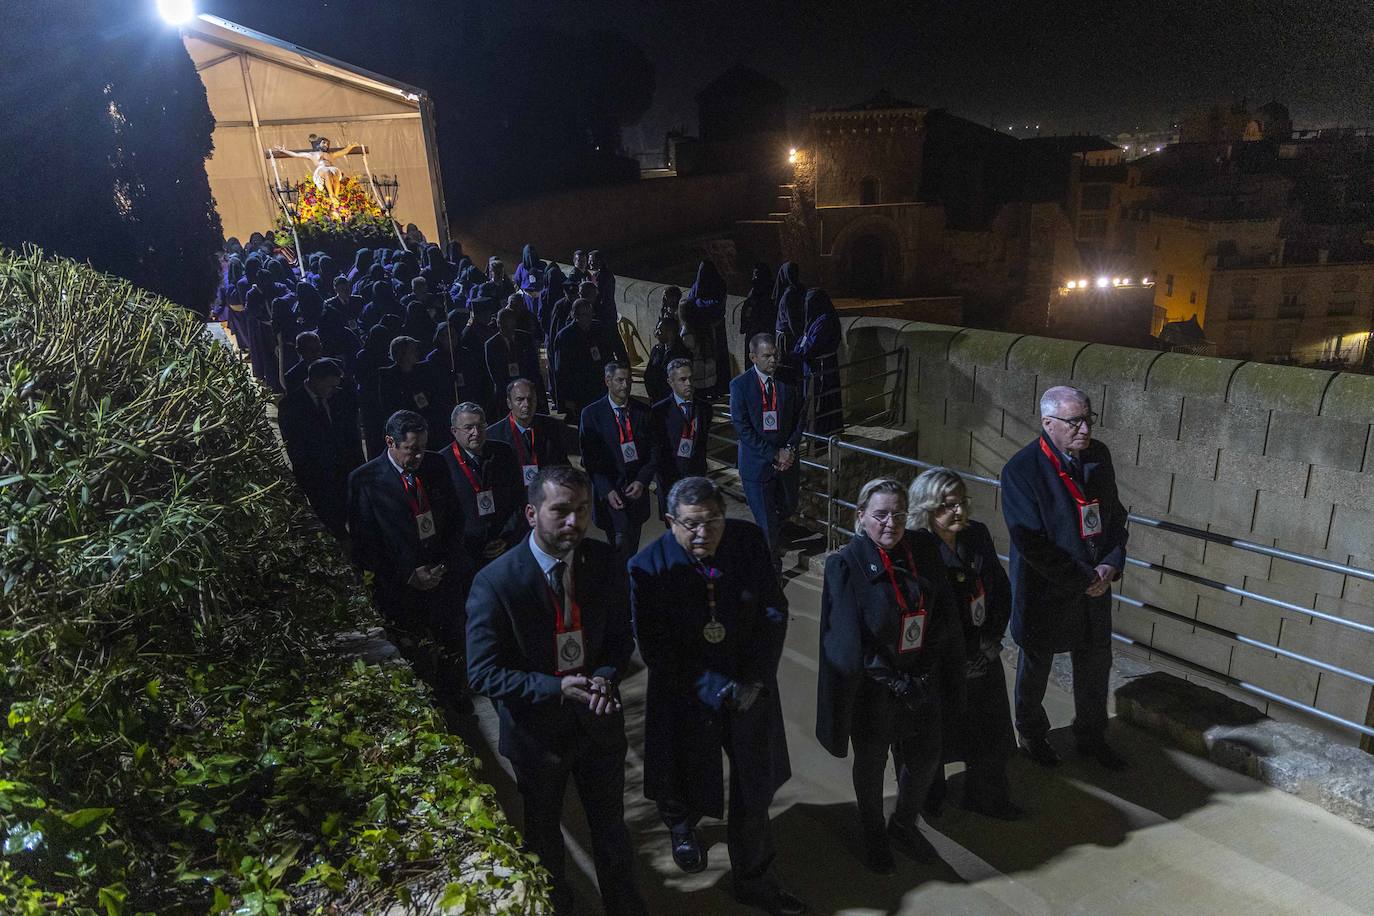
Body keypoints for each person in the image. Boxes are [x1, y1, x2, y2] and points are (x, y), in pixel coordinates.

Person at [466, 467, 647, 916]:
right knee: (545, 835)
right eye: (561, 511)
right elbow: (483, 673)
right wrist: (556, 687)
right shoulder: (496, 582)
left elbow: (621, 639)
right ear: (531, 513)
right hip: (538, 736)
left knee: (611, 831)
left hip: (598, 726)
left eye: (582, 510)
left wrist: (604, 675)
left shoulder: (606, 563)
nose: (574, 522)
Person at [629, 477, 806, 916]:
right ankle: (682, 827)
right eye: (691, 525)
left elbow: (772, 609)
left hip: (749, 685)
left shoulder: (746, 542)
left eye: (713, 521)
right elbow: (655, 648)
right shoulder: (647, 567)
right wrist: (712, 687)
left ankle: (756, 879)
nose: (704, 534)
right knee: (683, 771)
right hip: (685, 692)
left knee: (753, 786)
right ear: (670, 521)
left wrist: (755, 678)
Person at [815, 478, 965, 874]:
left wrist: (925, 672)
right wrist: (894, 681)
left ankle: (902, 822)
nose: (890, 523)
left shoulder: (920, 550)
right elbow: (850, 641)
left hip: (919, 681)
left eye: (898, 514)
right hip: (874, 689)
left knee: (927, 755)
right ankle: (873, 831)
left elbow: (939, 617)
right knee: (871, 763)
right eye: (880, 514)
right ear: (860, 516)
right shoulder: (845, 566)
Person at [1001, 386, 1129, 770]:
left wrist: (1110, 563)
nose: (1084, 428)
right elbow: (1031, 542)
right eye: (1075, 421)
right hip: (1047, 590)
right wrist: (1084, 578)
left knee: (1094, 664)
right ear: (1048, 423)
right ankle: (1031, 734)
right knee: (1035, 668)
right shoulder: (1021, 470)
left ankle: (1091, 736)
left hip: (1095, 584)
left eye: (1088, 418)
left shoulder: (1098, 456)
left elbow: (1115, 517)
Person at [911, 467, 1022, 820]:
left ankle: (988, 797)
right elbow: (920, 613)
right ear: (927, 508)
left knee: (989, 731)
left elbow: (1000, 590)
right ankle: (929, 800)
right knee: (935, 737)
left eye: (962, 503)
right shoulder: (914, 548)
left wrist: (991, 641)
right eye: (948, 505)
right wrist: (953, 658)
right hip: (941, 663)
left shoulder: (977, 536)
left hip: (981, 654)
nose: (959, 512)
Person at [347, 410, 469, 700]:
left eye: (423, 448)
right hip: (401, 586)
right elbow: (365, 544)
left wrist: (442, 565)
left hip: (442, 577)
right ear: (390, 442)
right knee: (414, 649)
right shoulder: (365, 480)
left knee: (452, 641)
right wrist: (407, 574)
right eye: (411, 450)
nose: (419, 457)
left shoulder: (436, 465)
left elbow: (454, 519)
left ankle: (456, 694)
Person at [729, 334, 805, 571]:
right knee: (768, 523)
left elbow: (799, 418)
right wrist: (774, 454)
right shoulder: (740, 386)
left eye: (775, 354)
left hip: (787, 462)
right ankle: (773, 572)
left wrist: (789, 449)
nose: (773, 360)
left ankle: (762, 541)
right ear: (753, 357)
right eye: (767, 355)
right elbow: (743, 428)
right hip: (758, 466)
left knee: (790, 506)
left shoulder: (788, 380)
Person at [580, 362, 658, 564]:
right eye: (620, 380)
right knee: (618, 548)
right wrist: (607, 490)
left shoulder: (643, 411)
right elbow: (590, 459)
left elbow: (653, 451)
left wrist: (642, 481)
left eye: (629, 380)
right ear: (607, 381)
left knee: (631, 546)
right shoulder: (591, 415)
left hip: (636, 495)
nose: (626, 385)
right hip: (610, 497)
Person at [278, 358, 361, 539]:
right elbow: (295, 447)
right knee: (330, 522)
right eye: (330, 386)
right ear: (316, 380)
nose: (334, 391)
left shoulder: (337, 398)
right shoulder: (291, 406)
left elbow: (350, 435)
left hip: (343, 470)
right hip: (317, 476)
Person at [439, 402, 526, 570]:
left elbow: (518, 498)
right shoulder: (443, 462)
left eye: (480, 426)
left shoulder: (503, 452)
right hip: (466, 556)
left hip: (505, 547)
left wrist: (506, 536)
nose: (476, 433)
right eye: (468, 427)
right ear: (454, 431)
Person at [651, 358, 713, 521]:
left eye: (691, 378)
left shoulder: (705, 408)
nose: (689, 383)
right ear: (670, 382)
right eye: (682, 379)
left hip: (696, 478)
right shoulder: (659, 412)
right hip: (671, 481)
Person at [552, 298, 627, 420]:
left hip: (600, 386)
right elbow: (561, 370)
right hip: (579, 390)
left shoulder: (599, 329)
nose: (587, 318)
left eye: (589, 314)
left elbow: (608, 356)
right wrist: (566, 398)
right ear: (575, 315)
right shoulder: (565, 337)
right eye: (583, 315)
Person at [488, 378, 570, 483]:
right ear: (509, 403)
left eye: (530, 399)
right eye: (520, 400)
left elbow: (562, 463)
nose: (526, 404)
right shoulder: (494, 435)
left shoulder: (550, 426)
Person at [793, 288, 843, 437]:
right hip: (813, 365)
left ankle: (822, 433)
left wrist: (797, 353)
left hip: (822, 366)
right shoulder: (816, 318)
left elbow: (813, 345)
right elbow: (804, 338)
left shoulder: (826, 320)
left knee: (822, 399)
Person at [682, 260, 731, 399]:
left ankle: (717, 388)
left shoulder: (718, 286)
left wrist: (698, 306)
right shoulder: (703, 286)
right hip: (703, 329)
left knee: (716, 359)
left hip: (713, 328)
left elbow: (695, 303)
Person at [484, 306, 544, 410]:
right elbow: (495, 374)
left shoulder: (526, 338)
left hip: (526, 388)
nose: (509, 329)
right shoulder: (491, 345)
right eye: (505, 326)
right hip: (505, 393)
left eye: (511, 325)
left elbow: (533, 366)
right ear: (498, 324)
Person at [643, 313, 691, 405]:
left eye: (660, 330)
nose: (657, 333)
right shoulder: (656, 349)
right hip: (656, 399)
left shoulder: (681, 353)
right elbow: (648, 374)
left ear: (670, 332)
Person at [738, 263, 774, 366]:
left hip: (761, 333)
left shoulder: (767, 292)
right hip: (754, 333)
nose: (754, 278)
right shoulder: (755, 291)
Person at [772, 262, 806, 362]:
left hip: (787, 338)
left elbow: (792, 321)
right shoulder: (797, 290)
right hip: (789, 336)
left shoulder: (789, 294)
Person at [588, 249, 617, 326]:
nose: (589, 263)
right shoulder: (605, 274)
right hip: (608, 312)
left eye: (591, 261)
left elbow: (601, 296)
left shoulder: (602, 276)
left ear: (599, 262)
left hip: (604, 314)